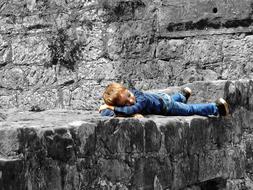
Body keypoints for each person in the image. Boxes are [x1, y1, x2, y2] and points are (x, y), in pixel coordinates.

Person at [99, 82, 229, 118]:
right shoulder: (129, 101)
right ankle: (182, 95)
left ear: (127, 89)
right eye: (125, 103)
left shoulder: (139, 96)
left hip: (166, 106)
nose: (131, 101)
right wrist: (106, 108)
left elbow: (134, 109)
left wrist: (111, 108)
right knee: (175, 100)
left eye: (128, 96)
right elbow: (107, 115)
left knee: (190, 109)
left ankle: (216, 107)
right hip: (161, 98)